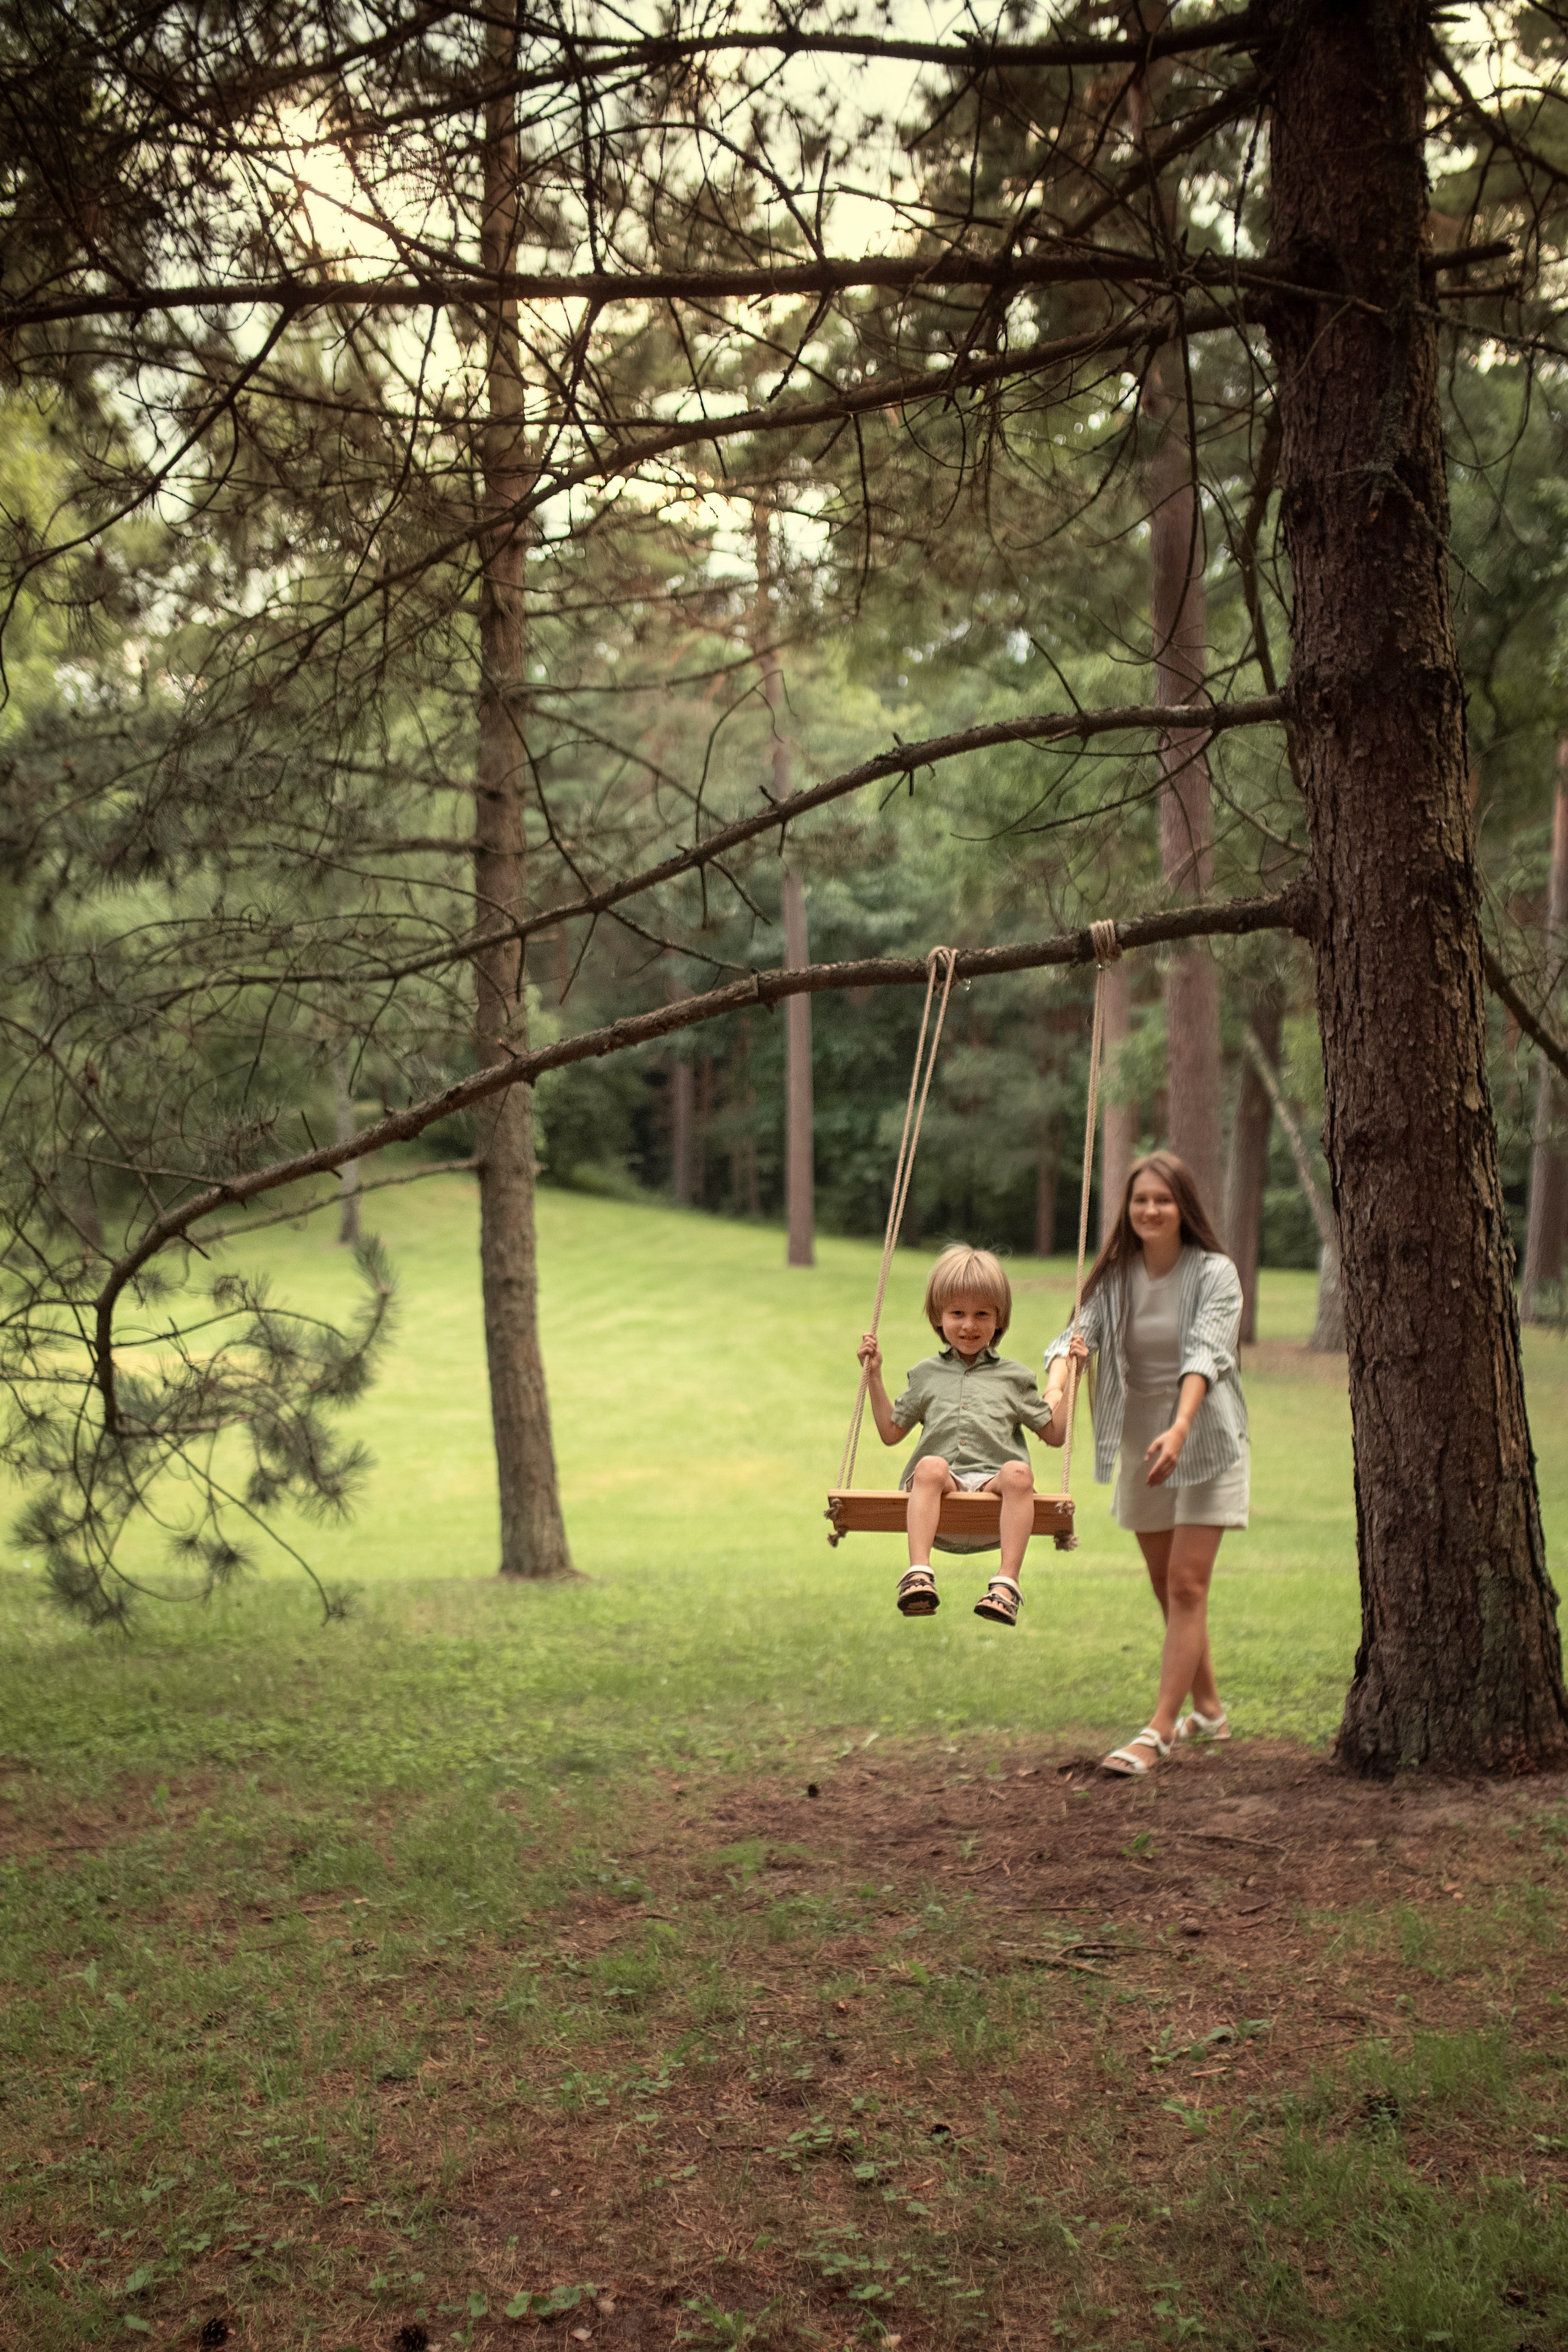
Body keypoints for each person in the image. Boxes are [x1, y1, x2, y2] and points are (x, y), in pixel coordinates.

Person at [1044, 1152, 1248, 1775]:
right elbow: (1072, 1342)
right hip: (1141, 1445)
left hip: (1206, 1438)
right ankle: (1209, 1710)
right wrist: (1056, 1393)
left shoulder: (1216, 1273)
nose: (1150, 1210)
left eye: (1162, 1199)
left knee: (1187, 1584)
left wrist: (1181, 1426)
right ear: (1127, 1209)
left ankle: (1158, 1731)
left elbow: (1205, 1354)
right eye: (1140, 1200)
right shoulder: (1114, 1278)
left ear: (1183, 1206)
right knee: (1170, 1589)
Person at [856, 1243, 1056, 1626]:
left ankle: (1006, 1586)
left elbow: (1055, 1434)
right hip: (940, 1495)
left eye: (982, 1314)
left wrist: (1072, 1374)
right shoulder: (926, 1374)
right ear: (938, 1317)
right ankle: (918, 1574)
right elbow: (890, 1431)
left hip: (992, 1493)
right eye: (957, 1313)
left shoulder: (1015, 1378)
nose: (969, 1325)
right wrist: (875, 1375)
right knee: (929, 1466)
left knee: (1018, 1472)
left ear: (1000, 1319)